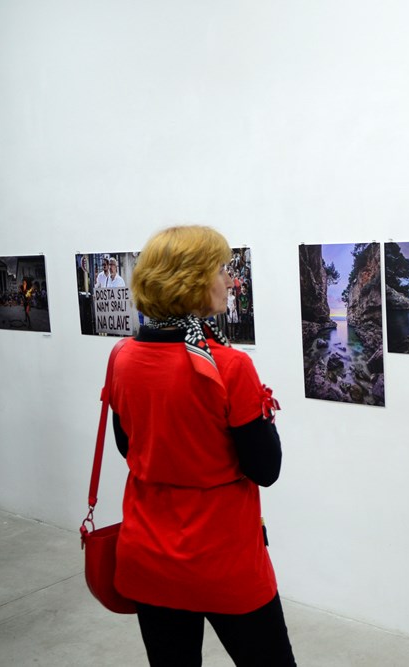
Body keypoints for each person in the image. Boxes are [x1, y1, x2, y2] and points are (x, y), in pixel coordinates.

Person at [110, 225, 297, 665]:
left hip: (149, 555)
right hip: (223, 558)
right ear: (192, 282)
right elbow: (265, 468)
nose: (230, 280)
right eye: (221, 270)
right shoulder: (230, 365)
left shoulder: (122, 357)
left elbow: (127, 446)